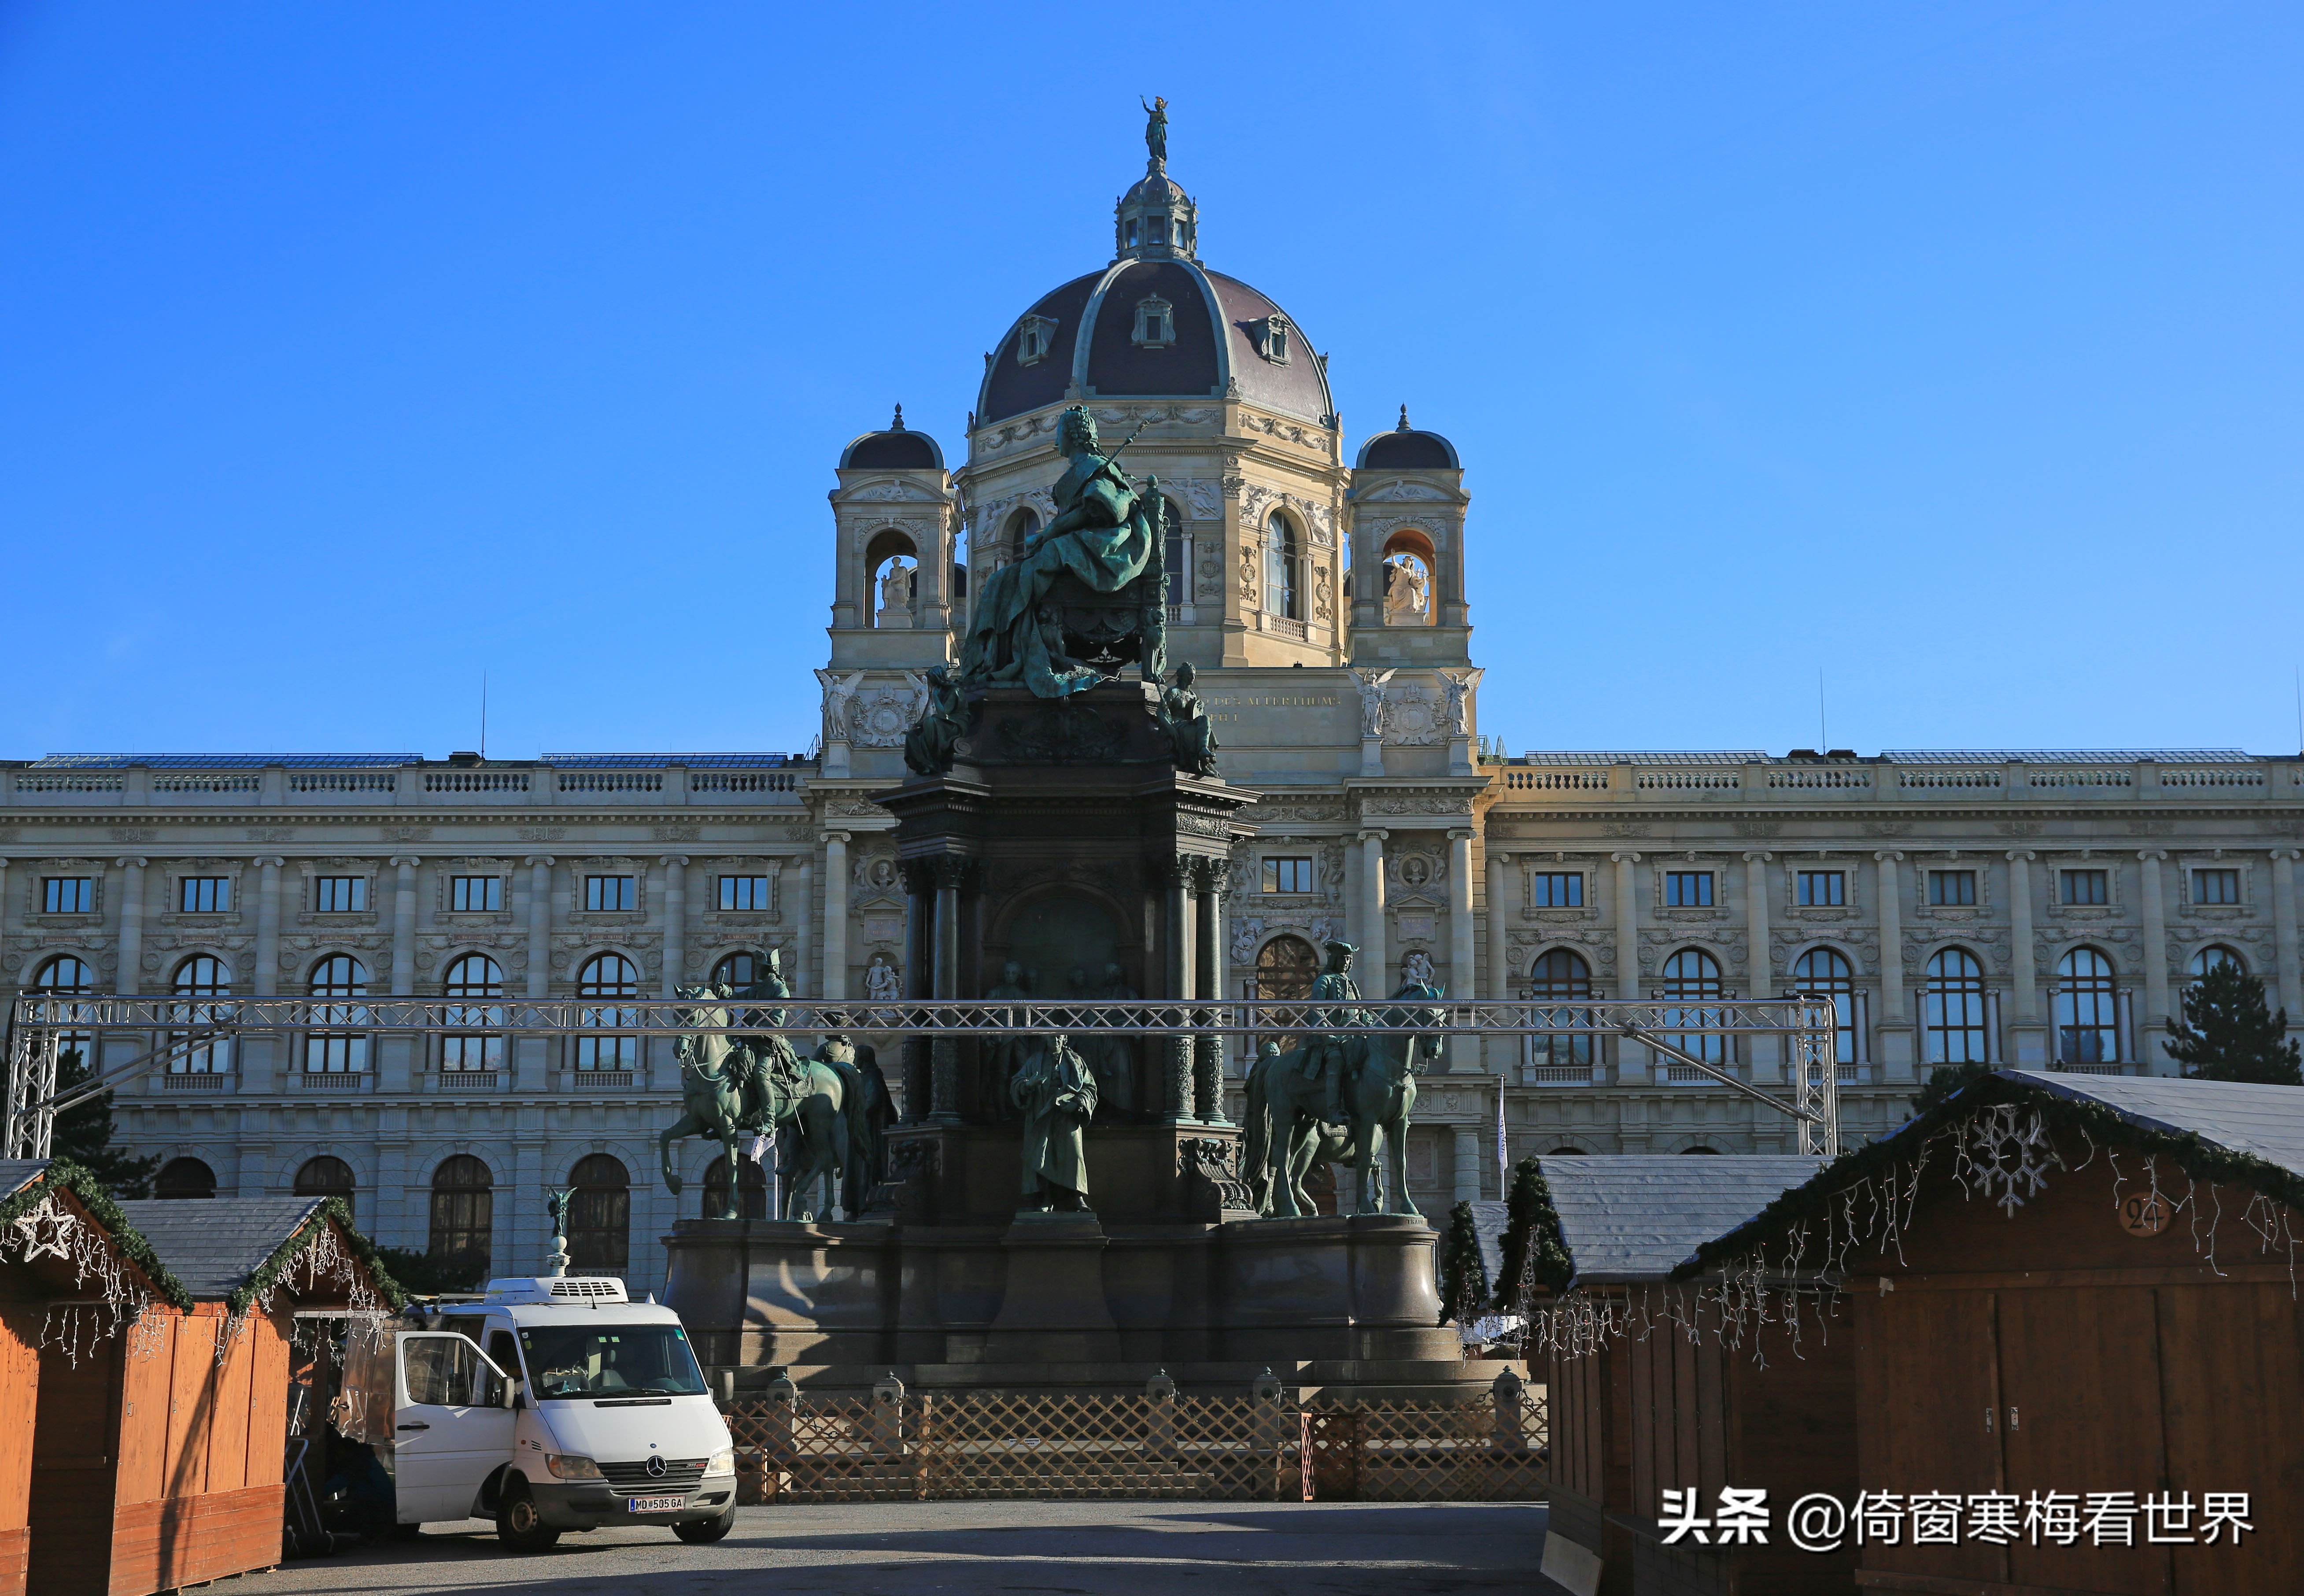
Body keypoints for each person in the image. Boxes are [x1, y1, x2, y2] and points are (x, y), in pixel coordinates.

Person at [1013, 1033, 1098, 1212]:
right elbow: (1017, 1082)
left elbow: (1089, 1088)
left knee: (1074, 1154)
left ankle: (1077, 1197)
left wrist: (1078, 1103)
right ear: (1045, 1039)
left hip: (1066, 1114)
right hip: (1042, 1114)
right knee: (1043, 1155)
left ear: (1065, 1039)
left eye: (1059, 1037)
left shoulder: (1076, 1061)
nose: (1056, 1040)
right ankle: (1046, 1198)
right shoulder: (1034, 1061)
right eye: (1052, 1037)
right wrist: (1029, 1084)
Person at [1299, 940, 1365, 1127]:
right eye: (1342, 958)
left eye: (1349, 958)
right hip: (1329, 1039)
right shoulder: (1324, 981)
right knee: (1336, 1061)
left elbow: (1362, 1012)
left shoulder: (1351, 984)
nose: (1346, 962)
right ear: (1334, 959)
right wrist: (1329, 1035)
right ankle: (1334, 1110)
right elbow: (1316, 1010)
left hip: (1354, 1037)